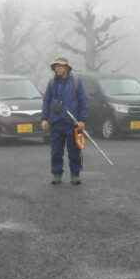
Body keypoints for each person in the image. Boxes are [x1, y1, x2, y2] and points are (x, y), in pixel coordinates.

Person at [41, 57, 88, 185]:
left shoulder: (76, 81)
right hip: (56, 122)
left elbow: (83, 101)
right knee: (56, 151)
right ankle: (57, 174)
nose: (58, 68)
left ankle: (75, 174)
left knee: (74, 151)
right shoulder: (51, 82)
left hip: (73, 123)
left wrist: (82, 119)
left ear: (67, 67)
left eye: (61, 66)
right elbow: (46, 101)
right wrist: (45, 118)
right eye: (56, 66)